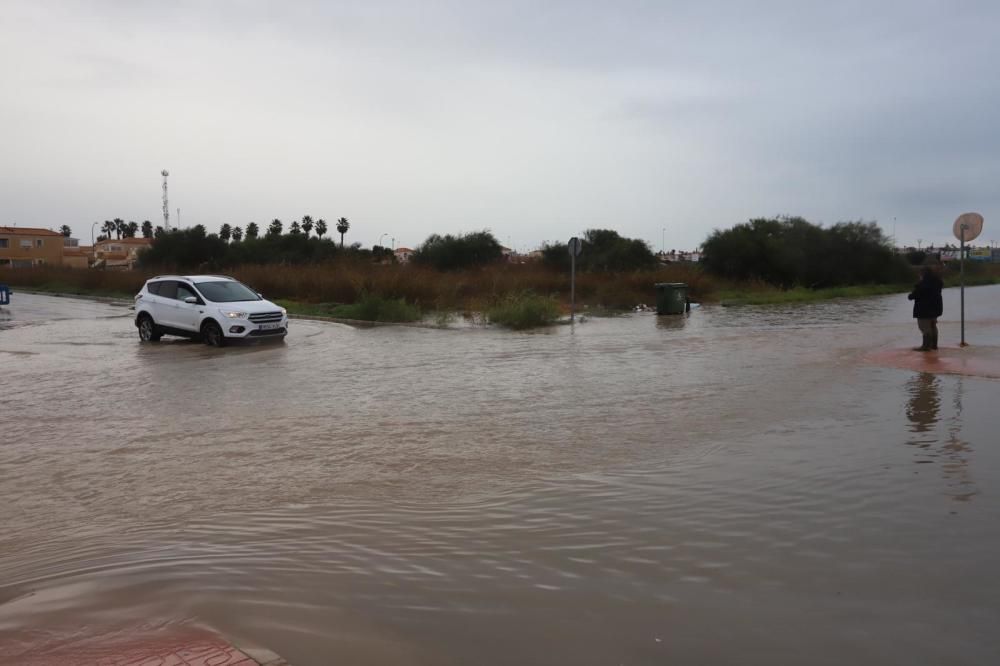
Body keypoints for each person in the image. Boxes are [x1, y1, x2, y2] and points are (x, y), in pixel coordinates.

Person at [907, 263, 943, 351]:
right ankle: (934, 345)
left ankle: (926, 346)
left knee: (924, 327)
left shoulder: (923, 284)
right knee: (933, 326)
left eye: (920, 274)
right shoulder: (937, 282)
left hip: (924, 310)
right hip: (935, 308)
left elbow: (915, 295)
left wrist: (910, 295)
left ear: (923, 274)